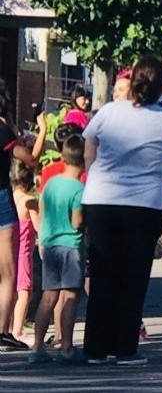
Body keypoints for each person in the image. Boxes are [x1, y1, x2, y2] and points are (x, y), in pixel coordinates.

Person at [81, 54, 162, 366]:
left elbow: (89, 146)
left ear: (132, 80)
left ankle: (95, 348)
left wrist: (93, 173)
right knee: (133, 276)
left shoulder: (109, 111)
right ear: (161, 87)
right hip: (143, 203)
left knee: (103, 271)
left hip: (101, 198)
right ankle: (125, 348)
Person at [28, 134, 86, 364]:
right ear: (84, 161)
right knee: (71, 295)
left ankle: (38, 347)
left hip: (50, 244)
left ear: (63, 157)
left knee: (48, 297)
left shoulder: (51, 184)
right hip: (71, 246)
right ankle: (67, 347)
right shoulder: (78, 190)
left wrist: (42, 238)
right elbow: (77, 222)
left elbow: (42, 210)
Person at [0, 78, 39, 352]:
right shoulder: (3, 132)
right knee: (8, 271)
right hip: (1, 197)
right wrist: (15, 130)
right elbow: (29, 159)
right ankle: (2, 330)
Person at [10, 160, 40, 347]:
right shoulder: (29, 202)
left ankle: (10, 326)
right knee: (24, 291)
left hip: (9, 249)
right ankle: (18, 330)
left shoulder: (9, 198)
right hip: (23, 251)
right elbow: (38, 227)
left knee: (10, 290)